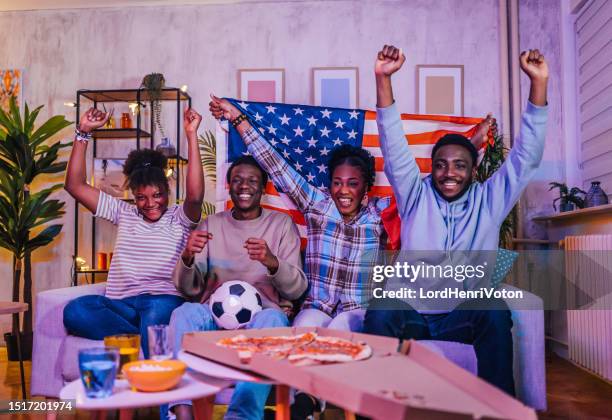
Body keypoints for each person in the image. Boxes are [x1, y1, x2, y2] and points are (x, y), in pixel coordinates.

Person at [364, 44, 549, 396]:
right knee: (381, 308)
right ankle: (379, 407)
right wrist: (383, 77)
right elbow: (392, 144)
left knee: (494, 309)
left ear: (473, 169)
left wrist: (538, 84)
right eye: (441, 164)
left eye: (460, 165)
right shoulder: (415, 195)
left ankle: (499, 410)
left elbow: (526, 157)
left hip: (460, 316)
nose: (449, 173)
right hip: (411, 313)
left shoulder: (490, 200)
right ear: (431, 168)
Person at [168, 155, 308, 420]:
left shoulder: (280, 225)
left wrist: (271, 262)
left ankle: (241, 416)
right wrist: (187, 256)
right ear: (228, 186)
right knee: (183, 313)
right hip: (214, 317)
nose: (244, 186)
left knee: (274, 319)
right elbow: (189, 289)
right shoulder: (212, 224)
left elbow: (297, 289)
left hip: (262, 319)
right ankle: (180, 411)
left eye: (252, 181)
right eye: (237, 180)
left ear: (263, 188)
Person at [63, 106, 205, 357]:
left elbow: (195, 195)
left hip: (162, 301)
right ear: (133, 197)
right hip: (122, 304)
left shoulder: (179, 218)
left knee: (154, 316)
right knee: (76, 311)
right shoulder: (124, 213)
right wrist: (83, 132)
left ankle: (153, 383)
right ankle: (140, 336)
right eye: (141, 197)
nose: (151, 204)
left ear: (167, 191)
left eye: (157, 195)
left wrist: (191, 135)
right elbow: (74, 185)